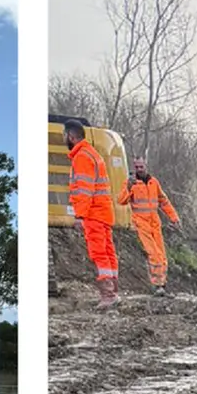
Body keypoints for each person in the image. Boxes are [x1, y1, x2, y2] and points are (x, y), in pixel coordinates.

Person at [65, 125, 121, 303]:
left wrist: (79, 215)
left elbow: (84, 190)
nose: (63, 139)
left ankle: (108, 295)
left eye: (64, 136)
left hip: (93, 213)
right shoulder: (94, 154)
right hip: (103, 213)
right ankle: (114, 291)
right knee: (108, 252)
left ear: (71, 137)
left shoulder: (82, 157)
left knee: (99, 253)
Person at [127, 164, 183, 293]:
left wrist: (174, 218)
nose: (139, 169)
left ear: (146, 166)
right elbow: (121, 200)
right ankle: (157, 285)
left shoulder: (153, 182)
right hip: (141, 223)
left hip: (154, 223)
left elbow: (163, 201)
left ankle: (161, 284)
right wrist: (128, 187)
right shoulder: (131, 183)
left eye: (141, 166)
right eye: (136, 167)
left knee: (161, 255)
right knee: (154, 254)